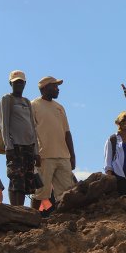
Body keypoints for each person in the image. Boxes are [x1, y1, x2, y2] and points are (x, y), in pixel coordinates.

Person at [30, 76, 76, 211]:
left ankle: (64, 221)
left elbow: (67, 132)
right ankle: (32, 221)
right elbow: (31, 133)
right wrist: (35, 154)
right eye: (54, 86)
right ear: (44, 88)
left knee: (67, 192)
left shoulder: (60, 107)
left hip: (63, 156)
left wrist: (72, 155)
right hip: (44, 156)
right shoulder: (33, 105)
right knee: (40, 193)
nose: (58, 89)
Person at [0, 70, 39, 206]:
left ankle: (21, 210)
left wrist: (36, 152)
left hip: (29, 147)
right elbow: (4, 124)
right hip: (15, 146)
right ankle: (15, 211)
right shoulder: (7, 99)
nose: (19, 85)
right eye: (16, 82)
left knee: (27, 182)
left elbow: (33, 127)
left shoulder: (27, 101)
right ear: (10, 83)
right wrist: (8, 146)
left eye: (21, 82)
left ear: (25, 83)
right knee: (16, 179)